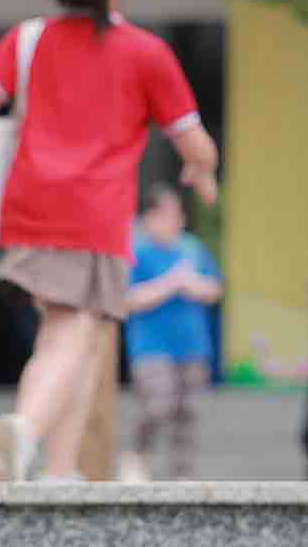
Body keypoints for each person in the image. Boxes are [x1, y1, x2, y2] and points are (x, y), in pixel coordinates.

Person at [0, 0, 220, 484]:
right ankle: (26, 430)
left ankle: (58, 466)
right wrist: (205, 169)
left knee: (78, 335)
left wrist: (19, 147)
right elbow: (192, 141)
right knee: (75, 331)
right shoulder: (146, 53)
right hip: (92, 217)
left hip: (27, 211)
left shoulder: (26, 39)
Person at [123, 184, 221, 483]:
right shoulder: (136, 251)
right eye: (163, 215)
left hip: (192, 346)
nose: (171, 222)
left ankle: (183, 475)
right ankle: (138, 455)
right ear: (148, 218)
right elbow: (128, 299)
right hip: (151, 348)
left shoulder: (192, 248)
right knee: (157, 404)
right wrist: (169, 284)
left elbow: (214, 289)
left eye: (175, 215)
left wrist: (192, 284)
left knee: (187, 413)